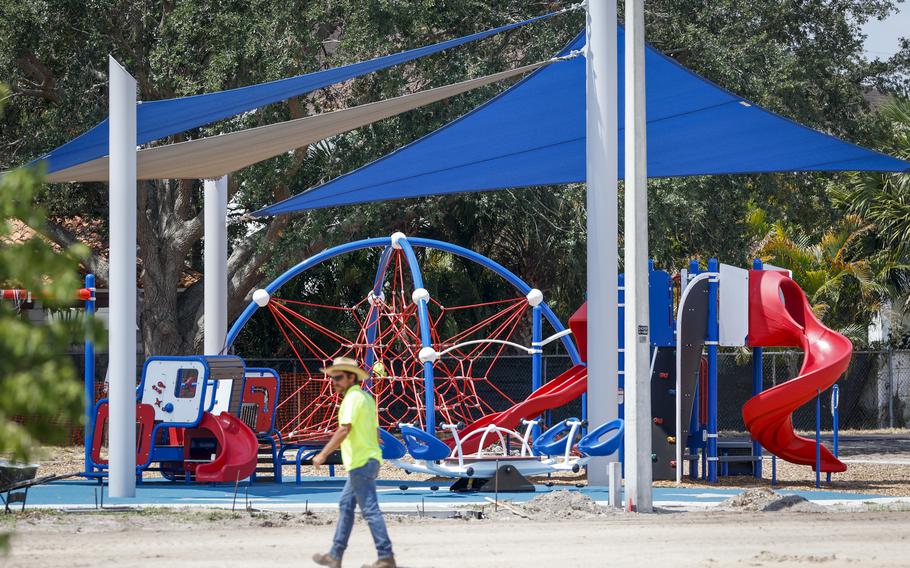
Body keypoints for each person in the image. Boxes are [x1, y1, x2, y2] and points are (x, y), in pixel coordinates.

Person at [312, 356, 396, 568]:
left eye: (338, 377)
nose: (334, 382)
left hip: (360, 461)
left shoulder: (352, 398)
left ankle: (386, 556)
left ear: (351, 377)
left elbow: (344, 429)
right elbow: (377, 433)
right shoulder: (367, 398)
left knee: (369, 509)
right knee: (346, 505)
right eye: (333, 378)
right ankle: (335, 555)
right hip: (368, 460)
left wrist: (323, 454)